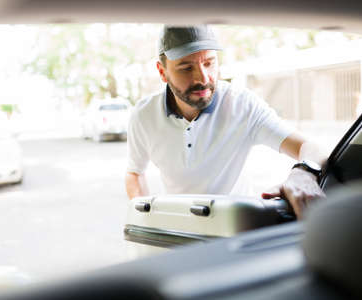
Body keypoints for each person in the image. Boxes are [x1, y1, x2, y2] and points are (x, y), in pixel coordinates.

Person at [125, 25, 327, 219]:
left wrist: (303, 174)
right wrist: (146, 217)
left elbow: (310, 147)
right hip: (181, 231)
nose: (203, 78)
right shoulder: (143, 116)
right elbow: (135, 172)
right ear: (162, 72)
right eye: (187, 68)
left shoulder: (242, 105)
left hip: (236, 229)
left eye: (209, 63)